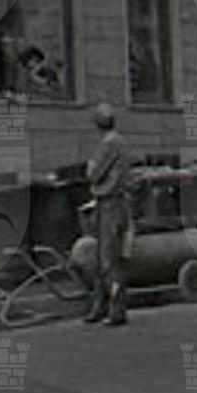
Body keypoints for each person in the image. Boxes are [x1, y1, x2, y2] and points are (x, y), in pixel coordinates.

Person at [83, 101, 133, 328]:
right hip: (121, 203)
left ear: (97, 124)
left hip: (109, 203)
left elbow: (93, 173)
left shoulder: (108, 144)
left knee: (106, 258)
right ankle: (106, 306)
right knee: (114, 258)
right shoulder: (122, 142)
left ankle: (113, 309)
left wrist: (91, 167)